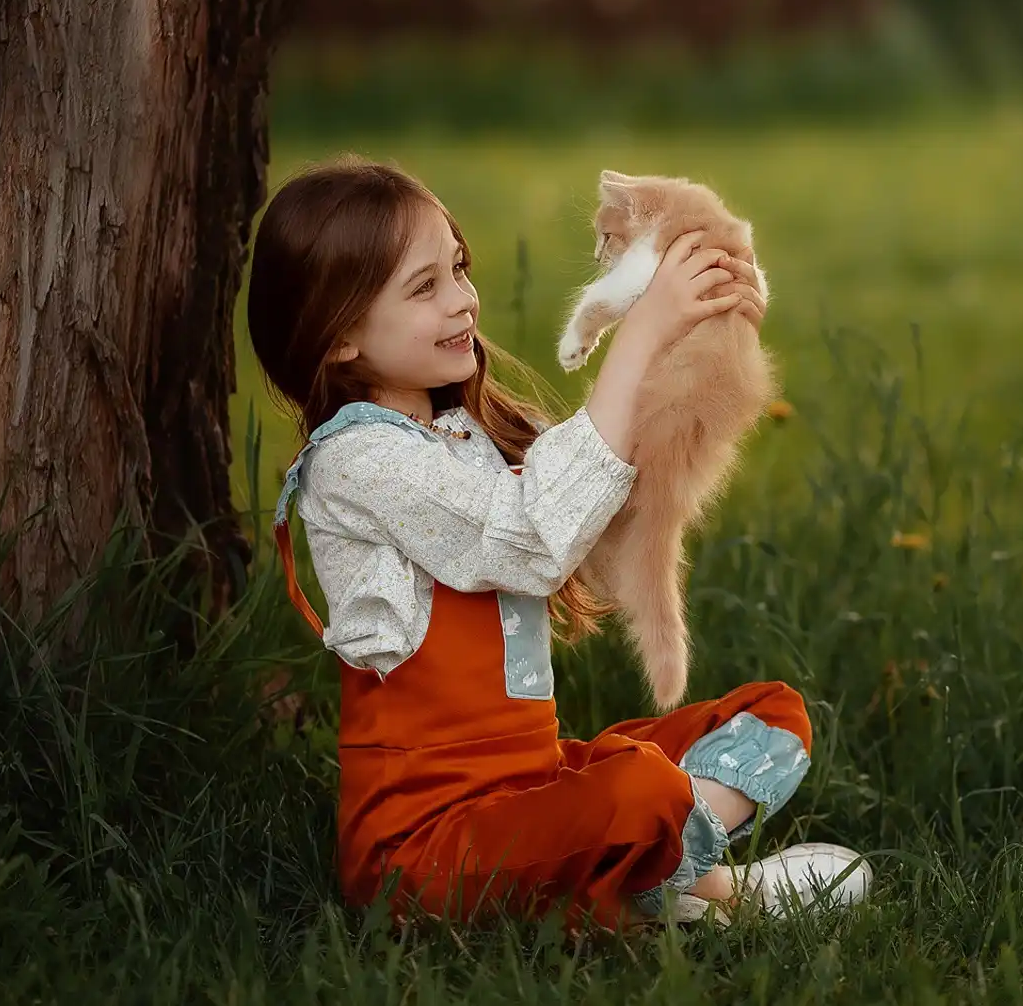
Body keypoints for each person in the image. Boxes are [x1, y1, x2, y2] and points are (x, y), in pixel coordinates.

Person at [247, 156, 871, 931]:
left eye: (459, 268)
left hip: (531, 795)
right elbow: (535, 537)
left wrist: (704, 326)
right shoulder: (359, 462)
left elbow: (608, 524)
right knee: (636, 790)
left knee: (767, 716)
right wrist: (639, 335)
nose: (463, 300)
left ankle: (637, 873)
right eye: (425, 287)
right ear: (339, 336)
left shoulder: (471, 434)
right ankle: (718, 895)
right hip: (428, 850)